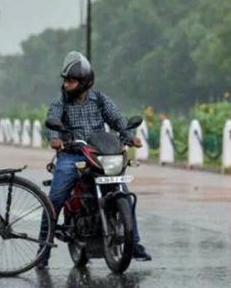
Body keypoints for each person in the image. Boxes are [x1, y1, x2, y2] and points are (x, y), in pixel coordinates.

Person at [37, 51, 152, 269]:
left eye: (71, 81)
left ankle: (134, 243)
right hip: (72, 155)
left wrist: (129, 136)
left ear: (83, 82)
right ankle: (43, 248)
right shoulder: (61, 103)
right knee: (55, 199)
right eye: (65, 80)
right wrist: (55, 139)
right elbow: (51, 121)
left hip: (100, 154)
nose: (66, 84)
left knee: (124, 193)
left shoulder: (99, 99)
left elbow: (117, 120)